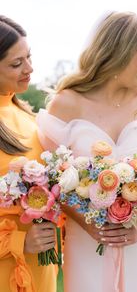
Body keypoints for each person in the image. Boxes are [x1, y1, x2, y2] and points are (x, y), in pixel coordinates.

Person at [36, 11, 137, 292]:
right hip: (88, 240)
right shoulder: (66, 103)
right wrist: (88, 225)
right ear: (122, 53)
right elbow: (52, 181)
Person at [0, 15, 56, 292]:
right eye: (16, 63)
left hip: (41, 264)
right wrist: (20, 242)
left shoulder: (29, 116)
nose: (30, 68)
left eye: (29, 57)